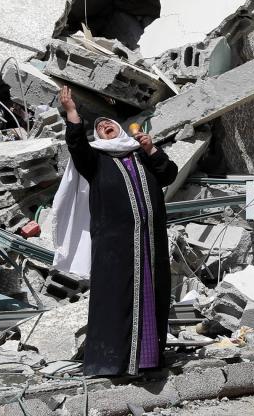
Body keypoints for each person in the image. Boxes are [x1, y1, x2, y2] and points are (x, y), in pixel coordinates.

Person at [52, 85, 178, 376]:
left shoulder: (140, 155)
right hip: (115, 247)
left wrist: (150, 148)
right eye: (99, 127)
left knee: (150, 294)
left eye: (109, 123)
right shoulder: (96, 160)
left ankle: (148, 359)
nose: (105, 125)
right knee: (117, 299)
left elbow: (168, 174)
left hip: (149, 243)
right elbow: (76, 146)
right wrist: (72, 112)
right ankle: (113, 362)